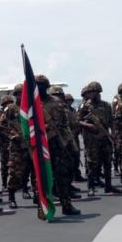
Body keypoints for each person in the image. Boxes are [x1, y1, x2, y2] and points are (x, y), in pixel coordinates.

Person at [36, 75, 80, 216]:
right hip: (40, 146)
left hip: (57, 143)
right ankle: (43, 208)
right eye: (36, 85)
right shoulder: (31, 105)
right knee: (42, 177)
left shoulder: (56, 102)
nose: (38, 88)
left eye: (42, 85)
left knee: (63, 176)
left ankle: (66, 205)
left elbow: (63, 124)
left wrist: (69, 144)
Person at [79, 81, 121, 196]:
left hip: (104, 137)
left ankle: (108, 186)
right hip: (91, 139)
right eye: (90, 92)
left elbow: (112, 120)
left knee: (107, 162)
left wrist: (113, 133)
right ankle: (91, 187)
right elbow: (78, 121)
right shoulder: (84, 106)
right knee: (92, 164)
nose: (92, 94)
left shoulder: (106, 105)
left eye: (94, 92)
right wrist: (89, 125)